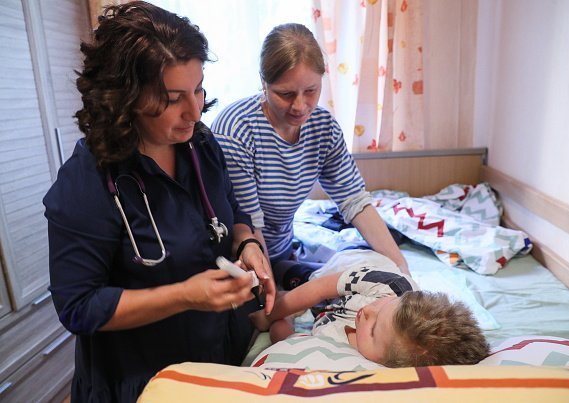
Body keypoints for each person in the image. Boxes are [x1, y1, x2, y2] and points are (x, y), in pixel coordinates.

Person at [42, 2, 275, 402]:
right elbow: (78, 306)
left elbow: (232, 212)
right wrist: (184, 295)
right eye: (172, 98)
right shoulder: (89, 181)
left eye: (198, 89)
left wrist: (247, 243)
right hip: (142, 381)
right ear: (126, 97)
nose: (194, 110)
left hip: (219, 361)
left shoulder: (201, 145)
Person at [210, 23, 409, 290]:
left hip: (281, 250)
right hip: (242, 257)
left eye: (311, 91)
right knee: (281, 319)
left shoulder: (323, 127)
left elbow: (355, 201)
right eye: (286, 94)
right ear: (263, 82)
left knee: (364, 276)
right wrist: (271, 298)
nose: (300, 106)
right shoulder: (237, 130)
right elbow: (248, 225)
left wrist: (402, 270)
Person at [250, 250, 490, 367]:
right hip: (348, 272)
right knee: (290, 271)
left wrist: (283, 326)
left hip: (327, 313)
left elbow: (292, 341)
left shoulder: (342, 354)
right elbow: (321, 288)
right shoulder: (387, 285)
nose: (367, 312)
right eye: (385, 306)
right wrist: (271, 314)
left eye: (373, 330)